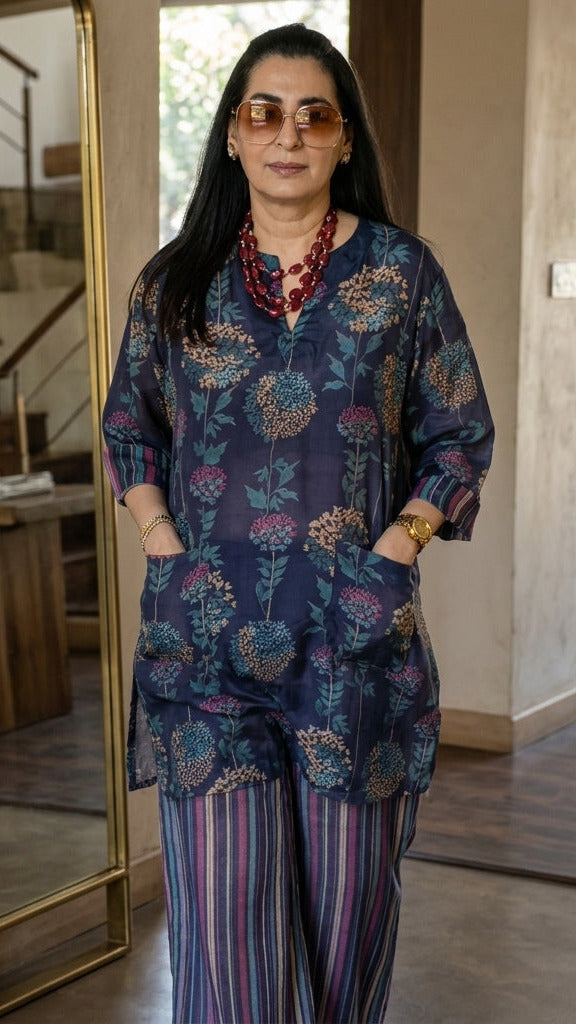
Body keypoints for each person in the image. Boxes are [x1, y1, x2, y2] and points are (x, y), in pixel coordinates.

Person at [102, 22, 494, 1024]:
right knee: (227, 944)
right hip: (205, 650)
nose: (288, 134)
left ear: (345, 139)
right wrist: (164, 546)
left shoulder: (402, 278)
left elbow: (458, 434)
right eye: (263, 112)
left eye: (314, 114)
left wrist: (395, 549)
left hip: (352, 648)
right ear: (232, 134)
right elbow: (128, 429)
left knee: (345, 928)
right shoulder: (173, 282)